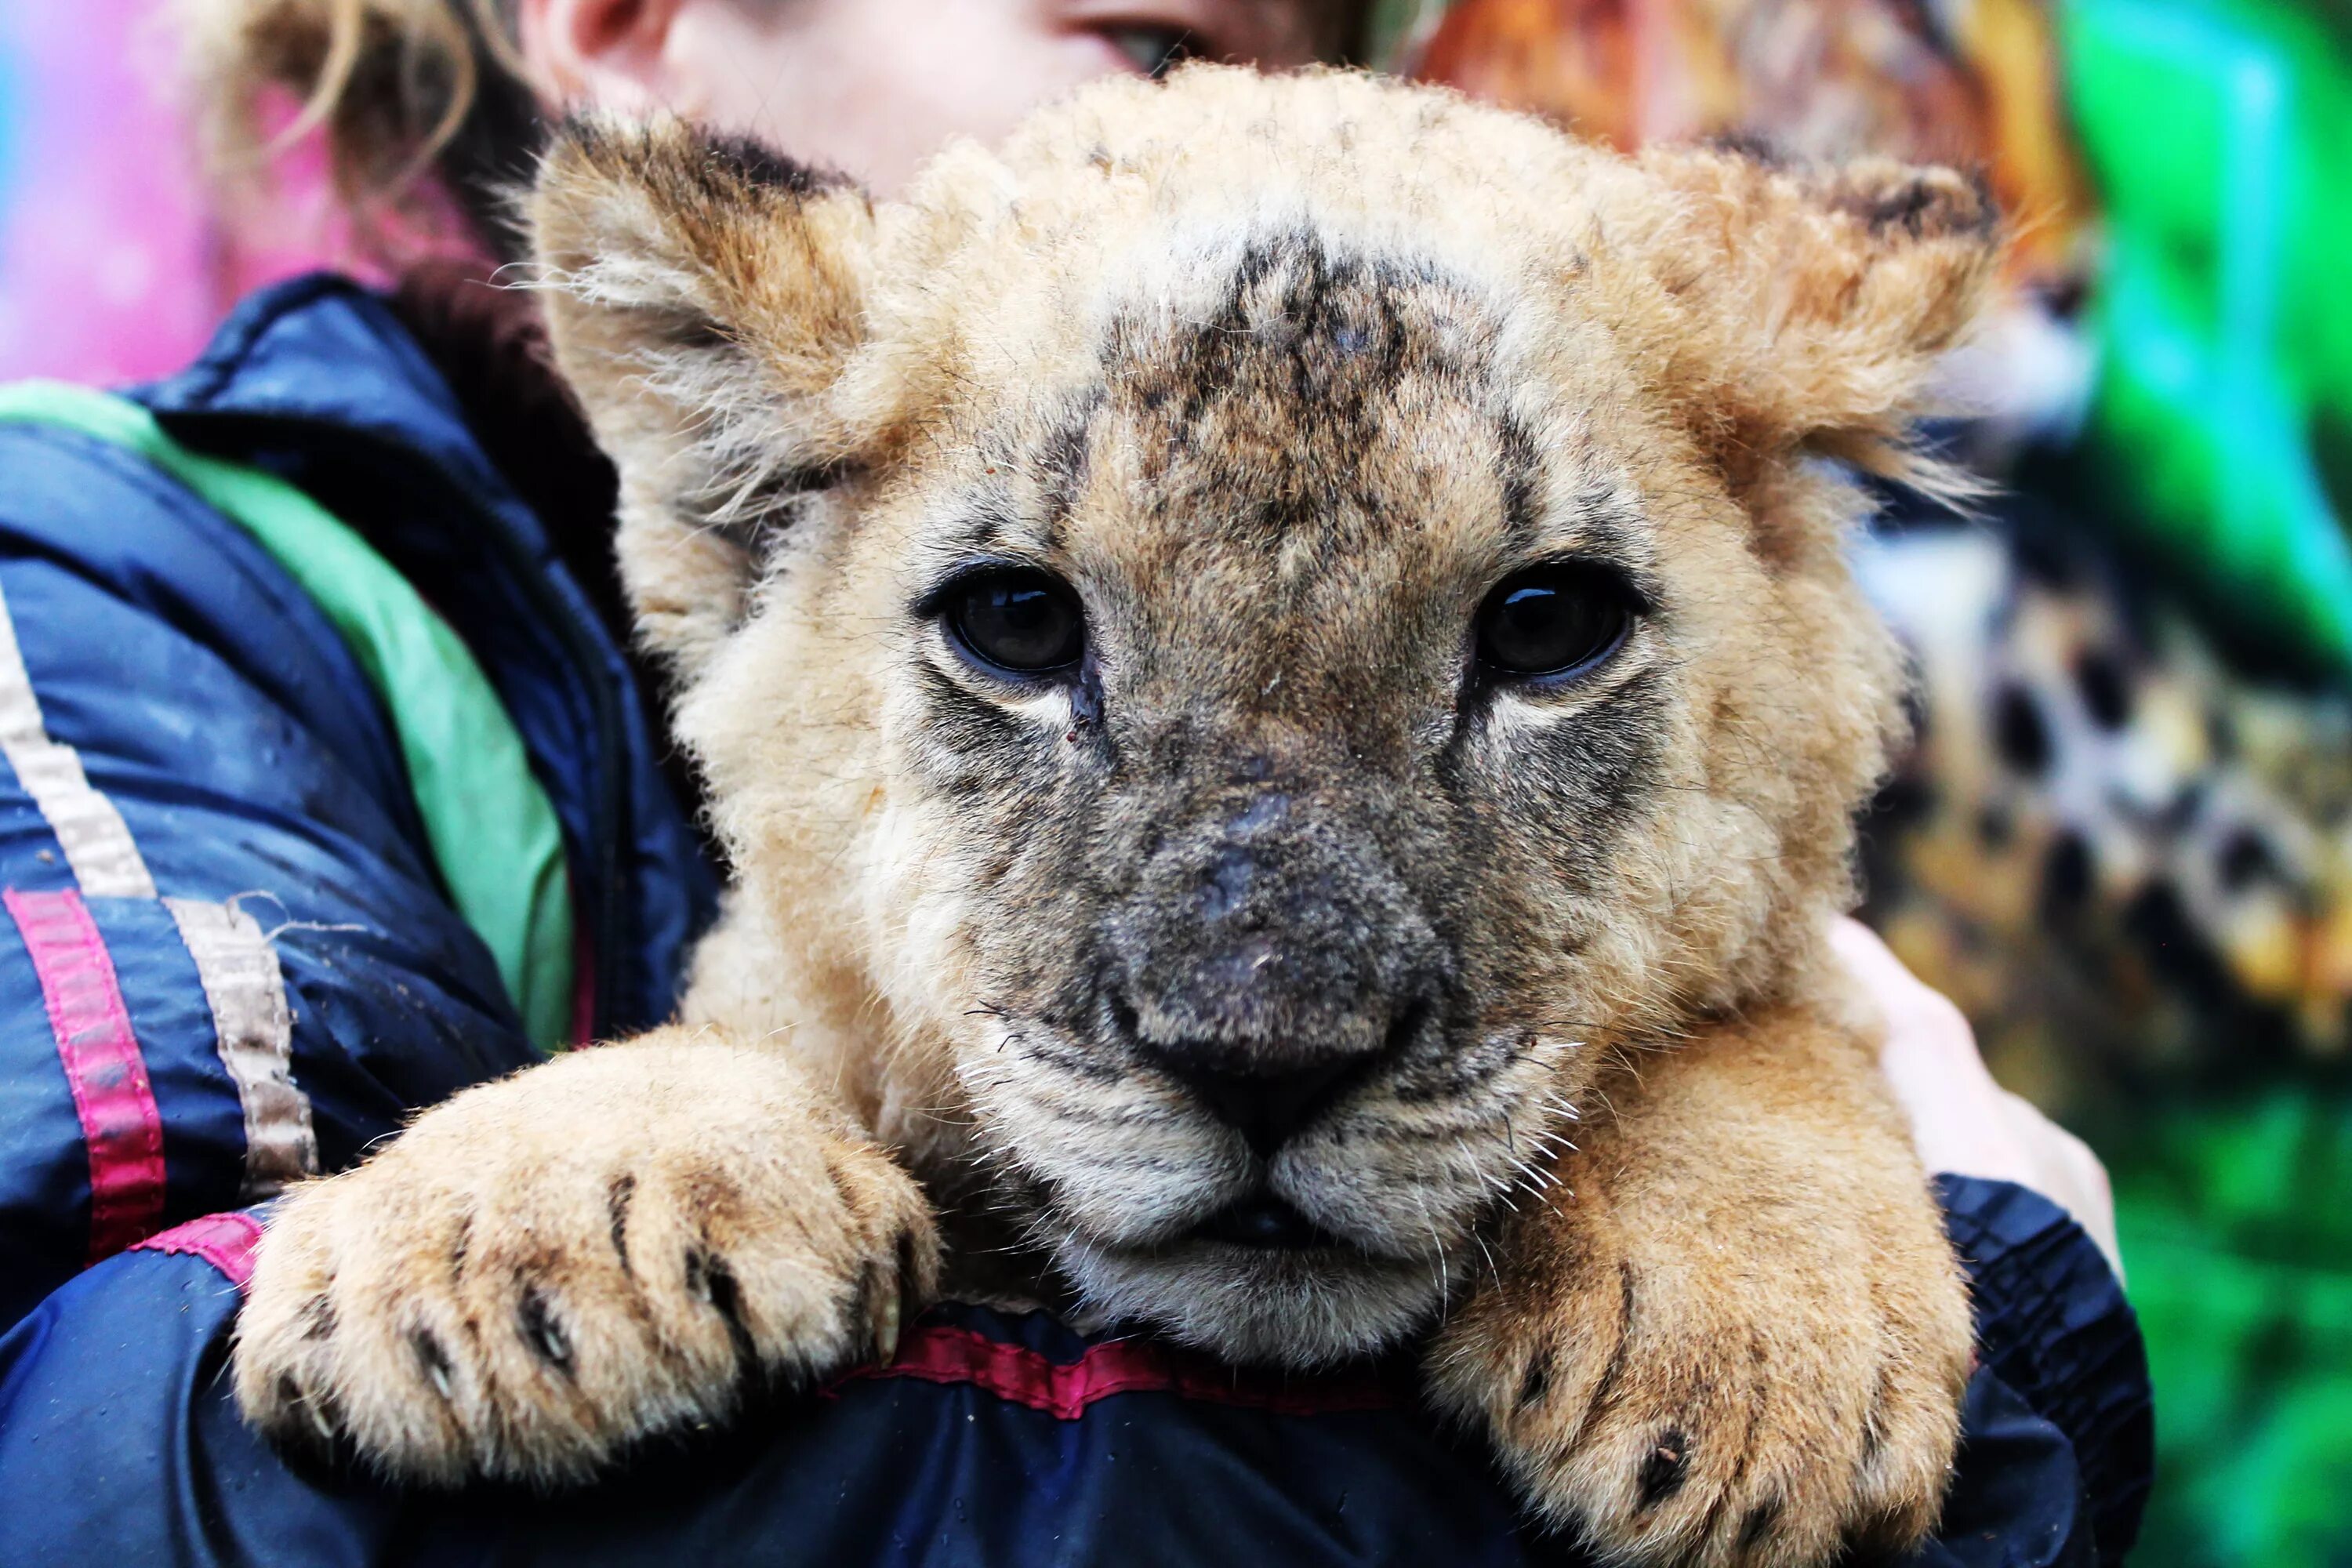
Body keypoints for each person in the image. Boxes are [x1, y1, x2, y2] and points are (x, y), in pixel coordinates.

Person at [0, 1, 2148, 1562]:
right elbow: (113, 1458)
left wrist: (1759, 1126)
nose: (1269, 1020)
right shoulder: (124, 575)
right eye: (1141, 41)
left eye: (1546, 622)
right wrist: (2012, 1371)